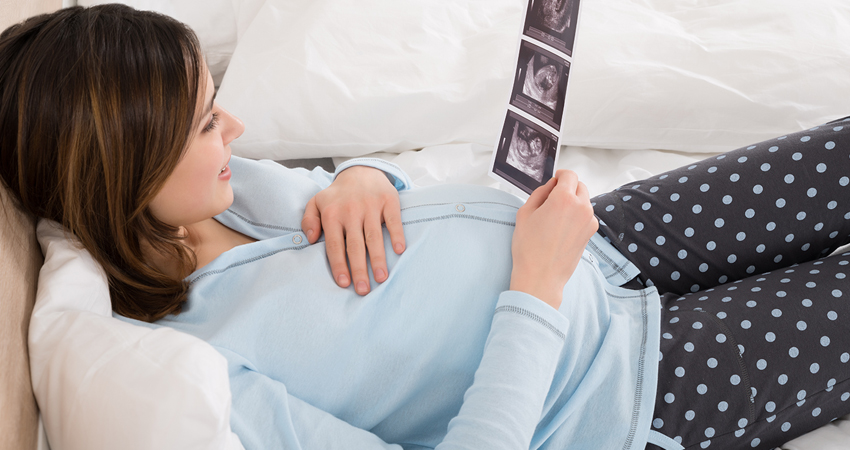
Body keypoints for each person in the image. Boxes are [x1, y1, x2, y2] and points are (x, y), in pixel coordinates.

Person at [0, 5, 847, 450]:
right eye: (204, 124)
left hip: (592, 241)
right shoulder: (212, 365)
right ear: (124, 171)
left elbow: (359, 209)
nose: (238, 131)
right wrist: (534, 292)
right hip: (624, 388)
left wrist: (367, 176)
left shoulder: (218, 198)